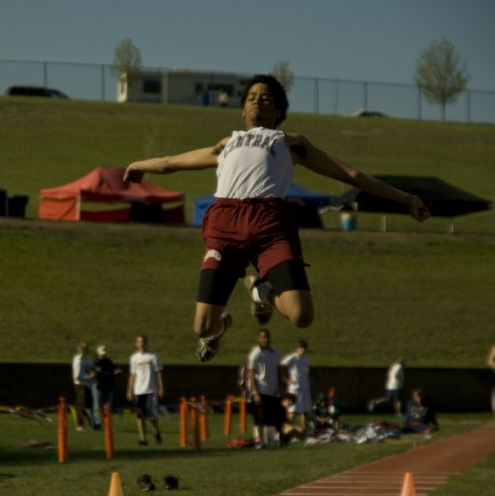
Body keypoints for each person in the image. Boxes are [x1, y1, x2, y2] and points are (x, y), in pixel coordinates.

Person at [123, 74, 430, 362]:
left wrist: (405, 198)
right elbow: (171, 162)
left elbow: (351, 174)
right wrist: (140, 164)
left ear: (279, 111)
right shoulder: (226, 144)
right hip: (225, 225)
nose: (258, 101)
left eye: (266, 98)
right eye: (252, 97)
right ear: (243, 109)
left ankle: (259, 290)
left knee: (301, 315)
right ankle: (218, 331)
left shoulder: (291, 143)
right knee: (202, 326)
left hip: (271, 225)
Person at [246, 329, 283, 448]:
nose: (265, 339)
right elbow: (251, 374)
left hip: (272, 391)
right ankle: (259, 442)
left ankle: (270, 442)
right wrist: (254, 392)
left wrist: (280, 387)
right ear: (259, 339)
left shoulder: (275, 352)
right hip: (260, 390)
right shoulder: (255, 354)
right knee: (260, 419)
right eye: (263, 337)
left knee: (271, 419)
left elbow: (278, 370)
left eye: (267, 337)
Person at [126, 335, 164, 445]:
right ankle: (142, 438)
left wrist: (161, 387)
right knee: (139, 415)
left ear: (146, 343)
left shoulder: (153, 356)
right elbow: (132, 375)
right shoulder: (134, 358)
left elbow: (158, 372)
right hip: (138, 391)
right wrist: (129, 390)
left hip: (150, 391)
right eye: (139, 341)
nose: (141, 343)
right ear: (136, 344)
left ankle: (156, 431)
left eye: (143, 341)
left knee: (151, 415)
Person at [280, 340, 311, 431]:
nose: (303, 350)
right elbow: (280, 366)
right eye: (301, 348)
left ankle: (305, 431)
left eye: (304, 348)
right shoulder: (292, 357)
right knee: (292, 412)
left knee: (304, 412)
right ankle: (289, 430)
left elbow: (305, 370)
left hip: (305, 389)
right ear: (297, 348)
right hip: (294, 389)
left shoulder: (306, 358)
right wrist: (286, 380)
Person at [71, 343, 99, 431]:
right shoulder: (78, 360)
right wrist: (89, 377)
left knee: (88, 405)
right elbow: (77, 376)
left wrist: (95, 369)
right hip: (80, 384)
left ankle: (92, 423)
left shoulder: (87, 359)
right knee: (81, 405)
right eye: (82, 349)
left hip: (87, 385)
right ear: (79, 350)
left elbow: (91, 367)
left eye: (85, 349)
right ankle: (80, 425)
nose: (84, 351)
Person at [94, 345, 122, 414]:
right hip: (100, 388)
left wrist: (117, 372)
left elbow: (116, 369)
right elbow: (98, 373)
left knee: (109, 409)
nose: (103, 355)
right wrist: (110, 373)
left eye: (104, 353)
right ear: (98, 353)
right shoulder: (95, 362)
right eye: (101, 354)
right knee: (99, 408)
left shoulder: (108, 361)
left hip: (109, 388)